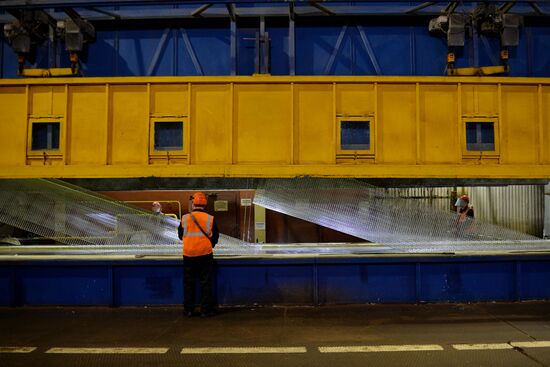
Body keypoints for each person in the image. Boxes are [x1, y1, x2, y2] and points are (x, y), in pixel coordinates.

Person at [178, 192, 219, 317]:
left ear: (193, 203)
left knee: (189, 283)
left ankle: (189, 310)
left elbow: (180, 236)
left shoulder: (185, 218)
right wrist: (208, 245)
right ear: (205, 204)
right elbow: (216, 236)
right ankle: (205, 310)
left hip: (189, 254)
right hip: (205, 254)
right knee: (206, 282)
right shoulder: (210, 218)